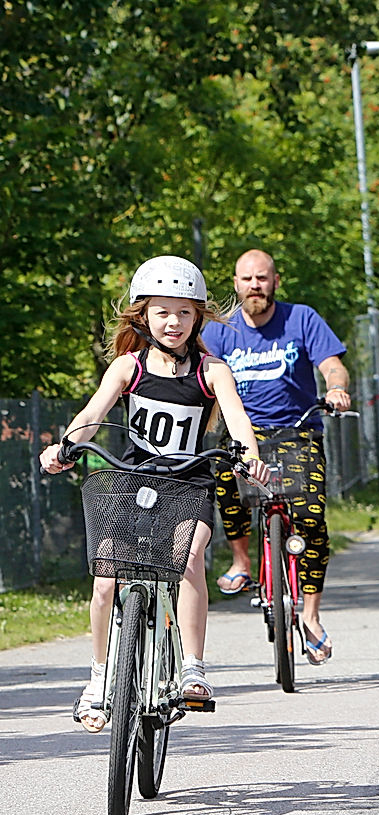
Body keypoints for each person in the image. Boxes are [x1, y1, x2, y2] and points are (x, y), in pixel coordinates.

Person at [39, 255, 268, 731]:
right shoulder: (129, 367)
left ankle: (193, 669)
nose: (174, 322)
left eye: (185, 312)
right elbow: (92, 413)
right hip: (132, 478)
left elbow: (238, 420)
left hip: (189, 483)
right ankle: (100, 677)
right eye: (164, 311)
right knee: (105, 579)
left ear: (198, 317)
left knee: (187, 560)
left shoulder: (212, 371)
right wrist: (63, 447)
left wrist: (248, 454)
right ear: (143, 314)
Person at [202, 249, 352, 665]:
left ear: (275, 281)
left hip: (297, 431)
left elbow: (332, 365)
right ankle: (241, 561)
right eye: (247, 278)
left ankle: (311, 616)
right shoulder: (220, 330)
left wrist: (336, 388)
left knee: (310, 517)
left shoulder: (301, 318)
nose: (255, 285)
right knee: (223, 481)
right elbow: (197, 372)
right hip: (241, 433)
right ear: (235, 284)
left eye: (262, 278)